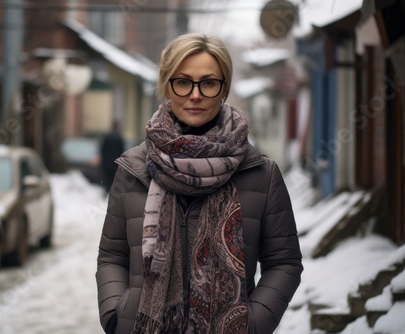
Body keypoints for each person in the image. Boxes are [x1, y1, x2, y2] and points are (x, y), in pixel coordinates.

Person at [96, 33, 303, 334]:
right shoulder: (134, 170)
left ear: (224, 89)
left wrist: (251, 323)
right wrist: (117, 313)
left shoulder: (260, 173)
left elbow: (284, 263)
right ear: (168, 87)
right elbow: (112, 256)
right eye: (183, 82)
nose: (195, 95)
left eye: (208, 82)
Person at [100, 120, 125, 193]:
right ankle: (112, 191)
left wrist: (103, 159)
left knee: (107, 178)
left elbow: (103, 149)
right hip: (115, 162)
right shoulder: (119, 138)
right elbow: (121, 151)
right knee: (113, 178)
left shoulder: (107, 137)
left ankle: (106, 190)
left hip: (107, 162)